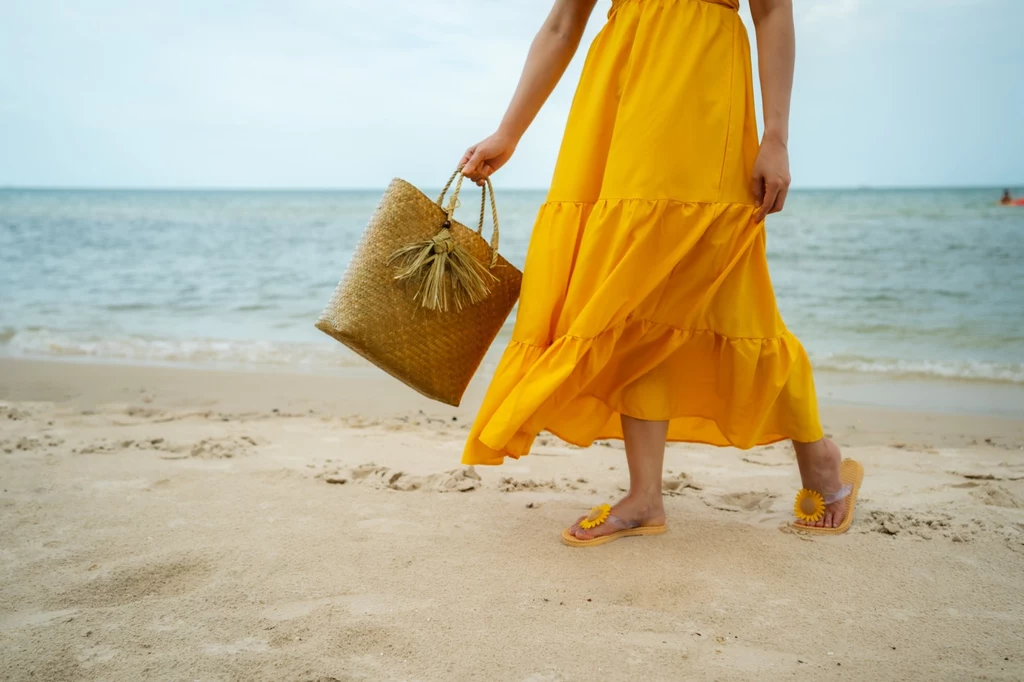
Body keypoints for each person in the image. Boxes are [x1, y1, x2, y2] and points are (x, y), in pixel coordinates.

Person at [458, 0, 862, 545]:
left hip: (705, 92)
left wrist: (776, 136)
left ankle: (819, 456)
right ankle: (645, 496)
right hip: (620, 99)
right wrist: (508, 132)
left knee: (725, 291)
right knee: (629, 291)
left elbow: (770, 12)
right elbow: (561, 23)